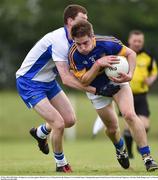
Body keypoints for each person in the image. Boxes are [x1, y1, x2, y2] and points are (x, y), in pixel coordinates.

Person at [16, 4, 117, 173]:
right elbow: (66, 78)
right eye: (83, 19)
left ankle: (41, 133)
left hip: (48, 82)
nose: (87, 22)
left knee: (70, 120)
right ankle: (61, 164)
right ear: (70, 21)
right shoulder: (59, 41)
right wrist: (96, 90)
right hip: (29, 82)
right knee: (59, 123)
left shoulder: (76, 40)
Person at [68, 20, 158, 172]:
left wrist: (130, 74)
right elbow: (84, 81)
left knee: (129, 114)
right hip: (96, 90)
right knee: (112, 128)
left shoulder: (108, 43)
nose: (82, 48)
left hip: (117, 82)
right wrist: (98, 64)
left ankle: (147, 157)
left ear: (92, 36)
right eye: (78, 44)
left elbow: (131, 53)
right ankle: (120, 148)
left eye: (85, 43)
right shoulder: (73, 54)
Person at [123, 30, 158, 159]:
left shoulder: (148, 56)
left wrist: (150, 80)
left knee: (145, 124)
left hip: (141, 95)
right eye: (135, 41)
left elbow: (154, 72)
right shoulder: (122, 54)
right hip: (126, 94)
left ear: (142, 42)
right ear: (129, 40)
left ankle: (139, 145)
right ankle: (129, 152)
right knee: (129, 125)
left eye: (140, 41)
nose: (137, 43)